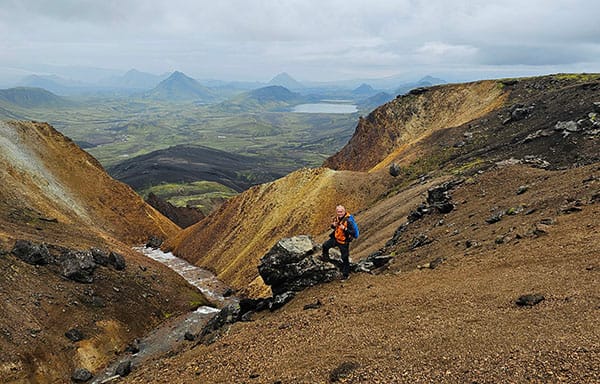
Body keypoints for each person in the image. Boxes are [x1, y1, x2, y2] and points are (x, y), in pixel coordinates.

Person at [322, 205, 359, 280]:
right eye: (338, 212)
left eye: (341, 211)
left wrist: (345, 228)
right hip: (336, 238)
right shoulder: (336, 218)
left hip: (343, 242)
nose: (340, 213)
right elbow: (333, 227)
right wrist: (333, 225)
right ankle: (326, 259)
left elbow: (353, 232)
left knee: (345, 258)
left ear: (344, 211)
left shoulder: (348, 221)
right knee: (325, 246)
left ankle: (346, 274)